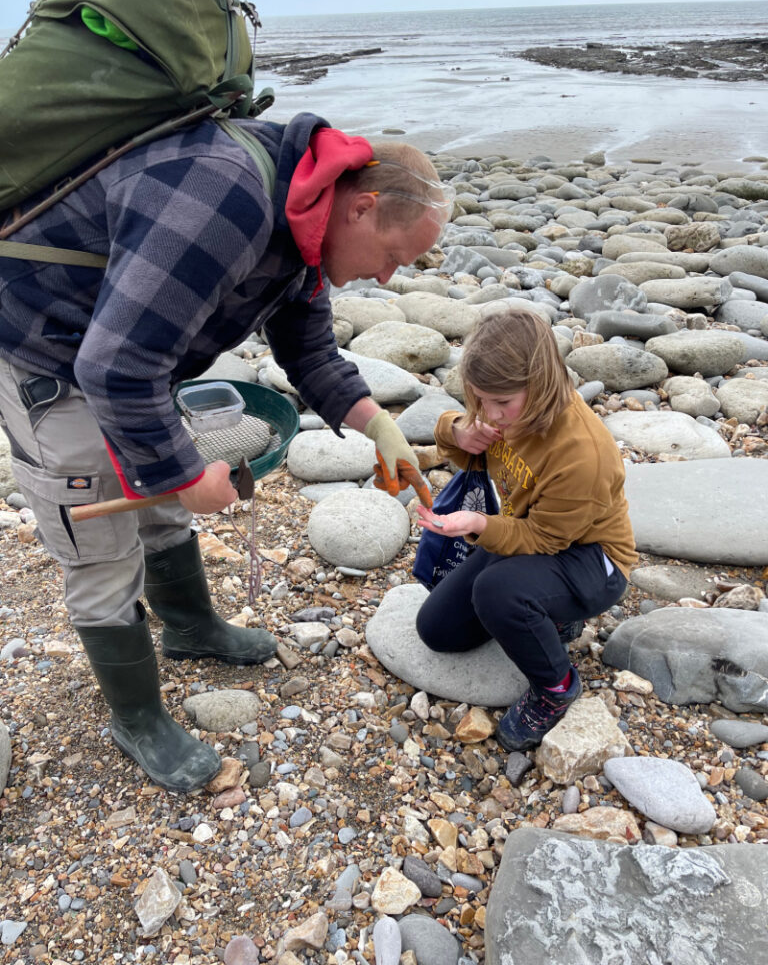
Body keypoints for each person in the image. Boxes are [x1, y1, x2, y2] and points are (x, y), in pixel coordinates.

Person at [0, 112, 453, 791]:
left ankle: (188, 626)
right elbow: (115, 368)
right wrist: (181, 474)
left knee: (161, 503)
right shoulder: (227, 201)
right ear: (362, 207)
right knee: (101, 543)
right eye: (395, 257)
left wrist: (376, 423)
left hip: (132, 354)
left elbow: (309, 350)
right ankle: (138, 719)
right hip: (47, 352)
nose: (388, 279)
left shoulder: (306, 216)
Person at [415, 309, 636, 751]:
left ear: (541, 384)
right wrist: (458, 431)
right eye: (481, 400)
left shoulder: (582, 453)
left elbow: (545, 540)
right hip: (528, 529)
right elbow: (470, 450)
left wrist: (478, 524)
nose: (492, 416)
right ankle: (549, 617)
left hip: (593, 557)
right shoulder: (505, 407)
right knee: (437, 631)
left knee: (499, 592)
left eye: (502, 404)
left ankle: (557, 687)